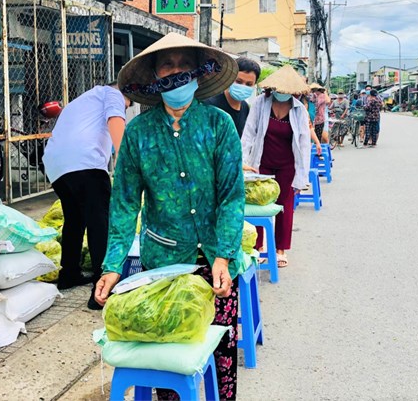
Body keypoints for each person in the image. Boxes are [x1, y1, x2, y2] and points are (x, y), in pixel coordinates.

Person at [94, 33, 244, 400]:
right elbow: (126, 204)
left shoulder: (218, 126)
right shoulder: (137, 134)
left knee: (221, 350)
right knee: (167, 354)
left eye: (183, 65)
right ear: (155, 77)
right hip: (163, 263)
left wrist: (224, 253)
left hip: (215, 259)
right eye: (167, 65)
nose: (176, 73)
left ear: (197, 74)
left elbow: (231, 196)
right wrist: (112, 265)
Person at [42, 82, 131, 310]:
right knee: (99, 221)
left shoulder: (80, 101)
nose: (125, 107)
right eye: (127, 104)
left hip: (55, 165)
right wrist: (125, 157)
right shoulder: (112, 93)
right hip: (86, 163)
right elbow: (115, 119)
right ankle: (101, 288)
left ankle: (69, 273)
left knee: (75, 219)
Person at [242, 65, 311, 268]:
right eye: (279, 90)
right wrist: (243, 163)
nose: (282, 94)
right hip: (261, 163)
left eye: (287, 91)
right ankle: (258, 246)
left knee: (284, 207)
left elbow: (304, 144)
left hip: (288, 166)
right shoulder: (259, 104)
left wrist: (302, 177)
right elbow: (249, 134)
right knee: (258, 206)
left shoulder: (299, 109)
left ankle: (280, 249)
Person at [205, 57, 261, 138]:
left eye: (249, 84)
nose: (243, 86)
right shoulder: (210, 106)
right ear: (229, 78)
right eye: (238, 81)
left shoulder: (245, 107)